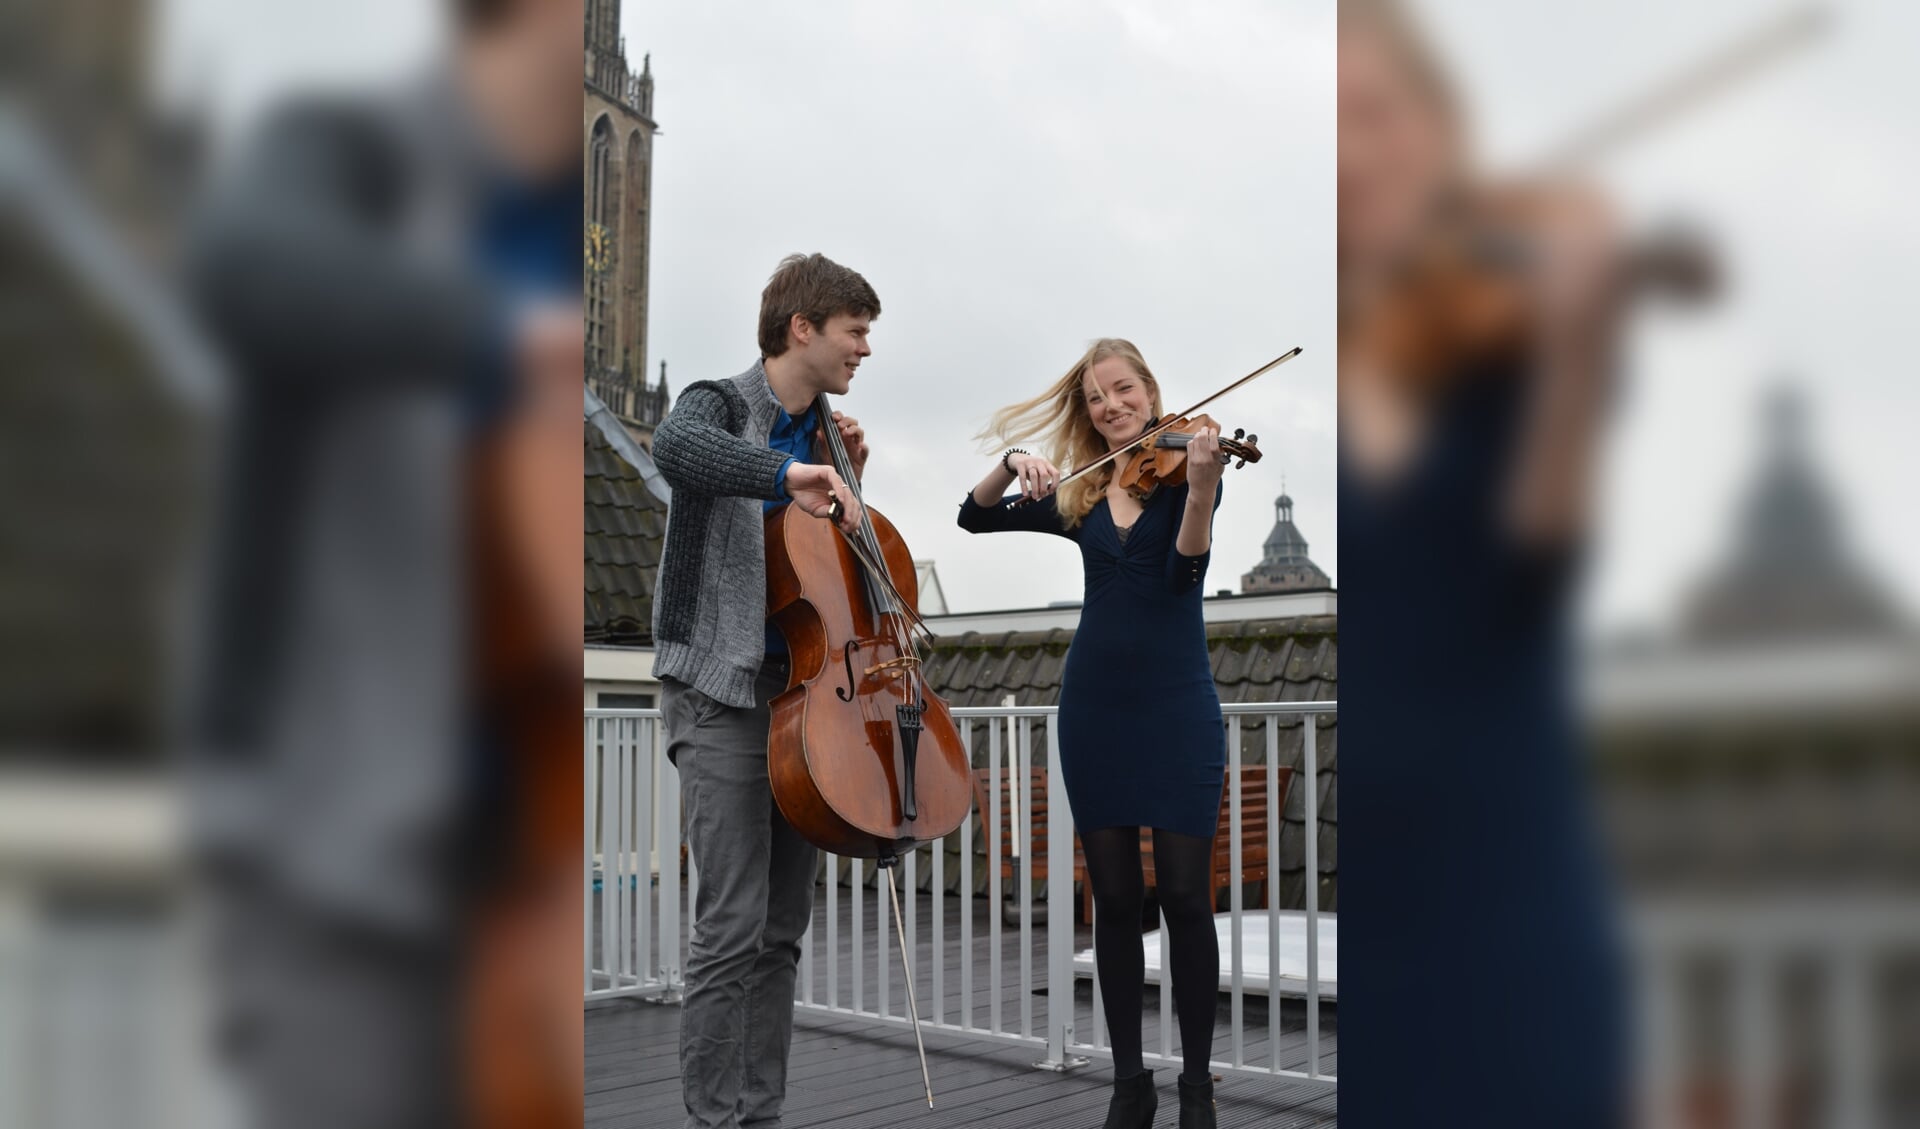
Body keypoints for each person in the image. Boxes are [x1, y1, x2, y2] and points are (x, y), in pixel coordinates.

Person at [1338, 2, 1627, 1126]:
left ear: (1443, 133)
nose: (1353, 154)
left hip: (1502, 870)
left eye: (1377, 116)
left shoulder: (1503, 348)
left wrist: (1576, 354)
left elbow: (1535, 571)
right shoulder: (1374, 347)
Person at [958, 338, 1228, 1129]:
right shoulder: (1076, 494)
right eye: (1096, 397)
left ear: (1150, 390)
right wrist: (1013, 459)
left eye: (1123, 389)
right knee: (1112, 898)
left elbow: (1183, 573)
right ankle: (1128, 1083)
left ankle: (1200, 1089)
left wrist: (1206, 489)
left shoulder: (1189, 467)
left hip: (1177, 705)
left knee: (1183, 896)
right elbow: (973, 517)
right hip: (1095, 708)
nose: (1111, 405)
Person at [649, 252, 872, 1129]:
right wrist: (787, 475)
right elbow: (678, 450)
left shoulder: (828, 436)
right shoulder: (717, 402)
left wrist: (850, 483)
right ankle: (714, 1119)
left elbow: (831, 574)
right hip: (719, 692)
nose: (864, 349)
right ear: (802, 328)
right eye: (855, 330)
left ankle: (760, 1113)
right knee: (731, 925)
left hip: (805, 701)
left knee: (781, 933)